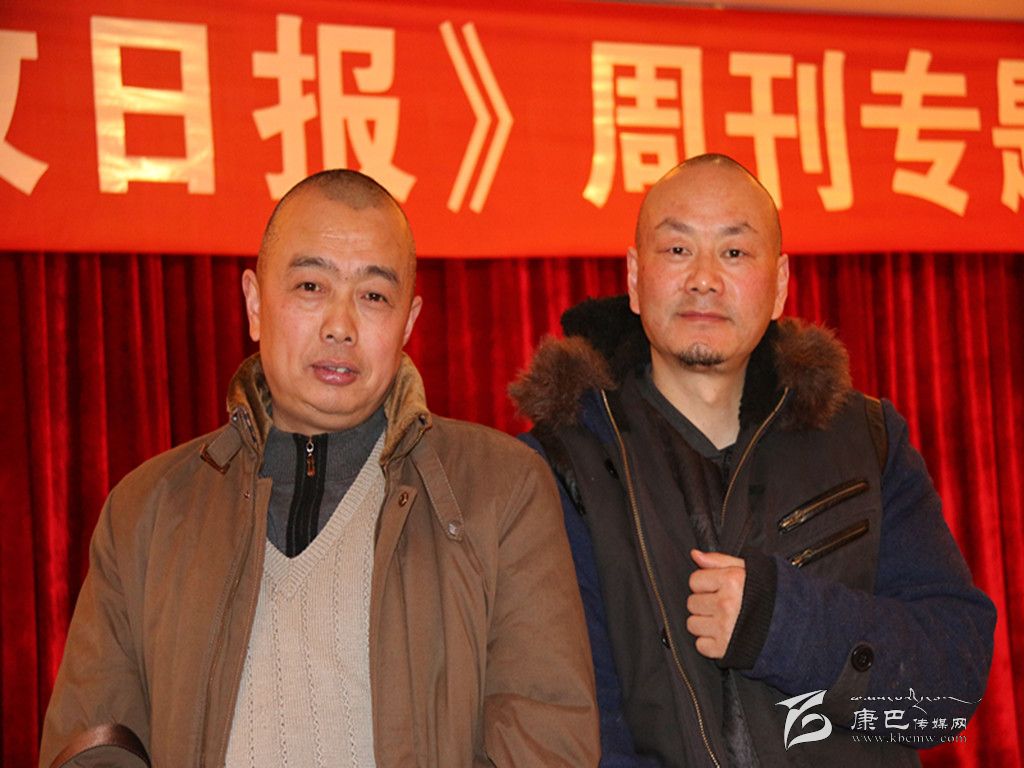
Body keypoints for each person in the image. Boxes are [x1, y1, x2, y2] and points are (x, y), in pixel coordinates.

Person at [40, 169, 599, 768]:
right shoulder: (148, 511)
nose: (340, 326)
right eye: (311, 286)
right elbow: (94, 743)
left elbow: (548, 739)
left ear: (408, 323)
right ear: (255, 303)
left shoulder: (502, 488)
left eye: (373, 296)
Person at [510, 153, 995, 766]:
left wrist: (780, 622)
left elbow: (948, 691)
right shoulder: (561, 467)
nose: (704, 279)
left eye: (734, 252)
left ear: (781, 284)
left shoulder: (866, 440)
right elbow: (571, 722)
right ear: (634, 277)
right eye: (677, 250)